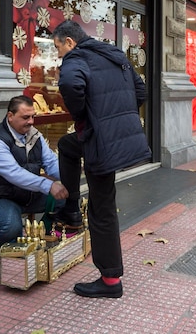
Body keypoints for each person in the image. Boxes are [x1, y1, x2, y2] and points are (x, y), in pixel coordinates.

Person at [52, 20, 151, 299]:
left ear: (69, 42)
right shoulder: (114, 54)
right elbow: (140, 91)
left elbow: (71, 85)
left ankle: (110, 281)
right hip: (118, 136)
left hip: (100, 143)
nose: (59, 54)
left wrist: (85, 116)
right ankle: (70, 205)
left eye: (59, 48)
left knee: (102, 208)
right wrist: (116, 117)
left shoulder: (76, 58)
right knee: (67, 145)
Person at [0, 95, 70, 275]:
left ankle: (38, 242)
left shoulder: (34, 135)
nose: (31, 122)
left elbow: (51, 163)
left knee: (64, 200)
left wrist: (70, 178)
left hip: (25, 195)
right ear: (10, 116)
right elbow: (15, 174)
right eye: (25, 117)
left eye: (33, 116)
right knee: (9, 226)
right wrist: (48, 185)